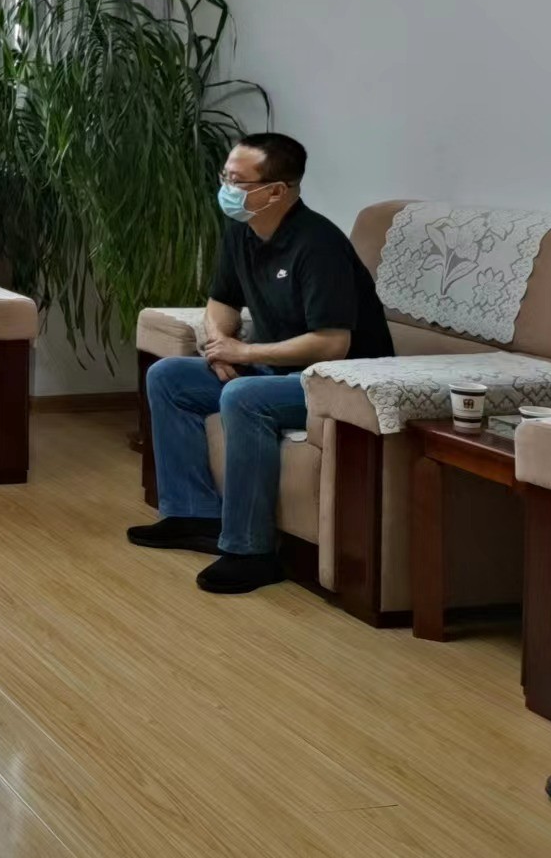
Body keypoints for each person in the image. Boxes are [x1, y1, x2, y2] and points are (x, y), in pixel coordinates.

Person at [130, 132, 393, 594]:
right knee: (169, 377)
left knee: (244, 396)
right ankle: (194, 515)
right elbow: (220, 302)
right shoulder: (242, 231)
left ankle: (251, 552)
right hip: (278, 369)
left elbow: (332, 343)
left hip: (340, 383)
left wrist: (245, 354)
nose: (226, 188)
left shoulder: (318, 243)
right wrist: (219, 343)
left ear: (276, 191)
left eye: (238, 181)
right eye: (225, 176)